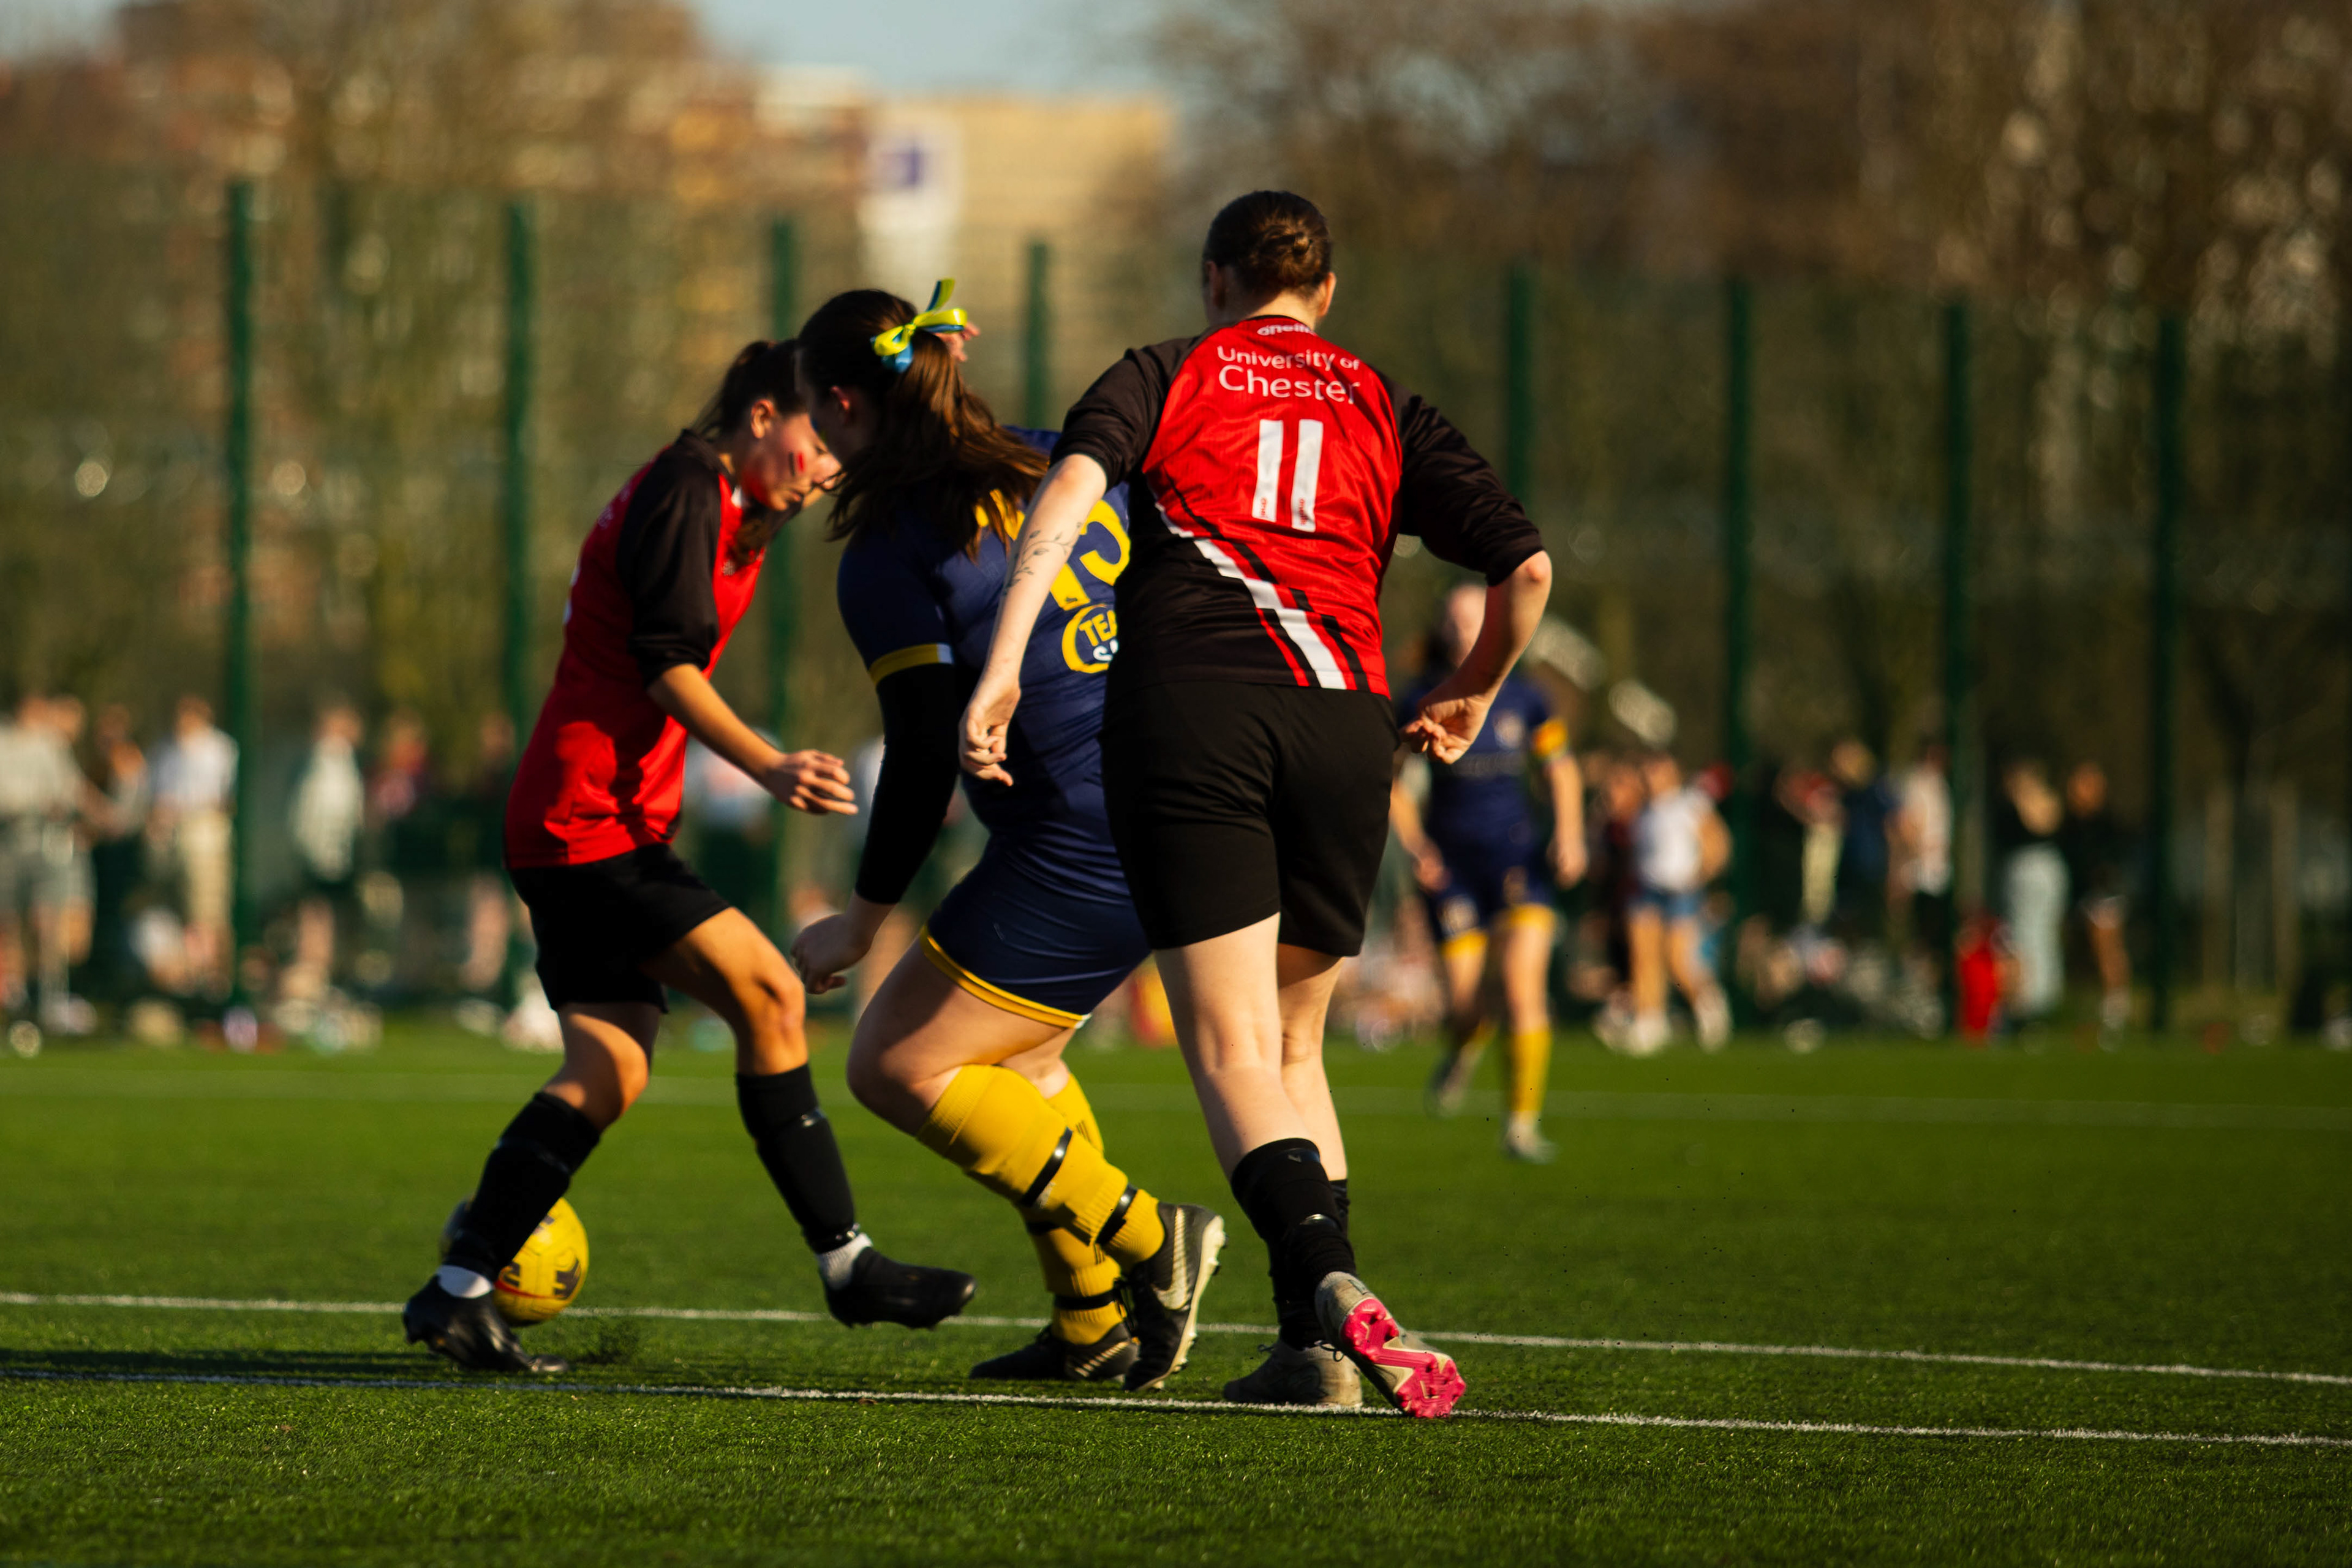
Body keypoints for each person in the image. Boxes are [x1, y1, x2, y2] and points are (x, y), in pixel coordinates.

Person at [960, 190, 1551, 1419]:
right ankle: (1311, 1355)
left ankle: (1327, 1276)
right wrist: (1477, 689)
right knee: (1292, 1046)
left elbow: (1065, 497)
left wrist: (1006, 661)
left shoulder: (1166, 371)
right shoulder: (1383, 400)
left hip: (1194, 712)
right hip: (1347, 723)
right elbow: (1527, 566)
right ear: (1326, 292)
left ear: (1213, 279)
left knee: (1228, 1046)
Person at [402, 340, 974, 1374]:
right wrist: (767, 764)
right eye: (815, 442)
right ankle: (848, 1265)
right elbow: (664, 667)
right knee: (771, 993)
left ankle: (460, 1289)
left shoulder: (719, 503)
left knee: (609, 1071)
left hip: (590, 819)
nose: (826, 467)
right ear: (761, 416)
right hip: (588, 823)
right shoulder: (684, 490)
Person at [788, 285, 1223, 1393]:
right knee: (1019, 1061)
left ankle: (1152, 1239)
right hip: (1171, 797)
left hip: (1081, 833)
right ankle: (1092, 1323)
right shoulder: (1050, 457)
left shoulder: (891, 544)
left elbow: (920, 752)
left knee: (892, 1064)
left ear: (844, 404)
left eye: (814, 410)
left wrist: (858, 927)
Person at [1389, 582, 1583, 1162]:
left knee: (1522, 991)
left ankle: (1521, 1126)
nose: (1461, 629)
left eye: (1472, 618)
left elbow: (1560, 769)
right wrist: (1416, 846)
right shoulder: (1421, 697)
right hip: (1450, 870)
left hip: (1516, 861)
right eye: (1452, 620)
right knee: (1467, 1008)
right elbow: (1392, 783)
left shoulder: (1528, 697)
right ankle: (1462, 1048)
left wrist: (1570, 834)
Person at [1626, 752, 1732, 1054]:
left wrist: (1702, 876)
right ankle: (1649, 1022)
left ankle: (1708, 1006)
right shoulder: (1643, 809)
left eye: (1657, 771)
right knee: (1643, 957)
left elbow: (1718, 843)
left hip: (1681, 891)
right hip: (1647, 889)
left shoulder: (1691, 803)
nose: (1650, 777)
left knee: (1678, 960)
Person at [146, 695, 236, 995]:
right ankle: (186, 974)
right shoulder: (165, 750)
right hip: (169, 838)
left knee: (207, 910)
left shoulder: (220, 749)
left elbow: (227, 798)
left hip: (204, 836)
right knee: (178, 909)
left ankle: (214, 975)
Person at [1994, 758, 2067, 1025]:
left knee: (2031, 935)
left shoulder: (2036, 800)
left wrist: (2023, 795)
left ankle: (2032, 1001)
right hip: (2038, 868)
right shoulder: (2015, 802)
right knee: (2024, 935)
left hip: (2034, 869)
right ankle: (2029, 1000)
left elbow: (2040, 825)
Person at [2060, 760, 2131, 1034]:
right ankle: (2096, 1008)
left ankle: (2115, 1009)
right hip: (2082, 895)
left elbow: (2110, 860)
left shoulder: (2105, 824)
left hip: (2102, 894)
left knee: (2107, 950)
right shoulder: (2071, 823)